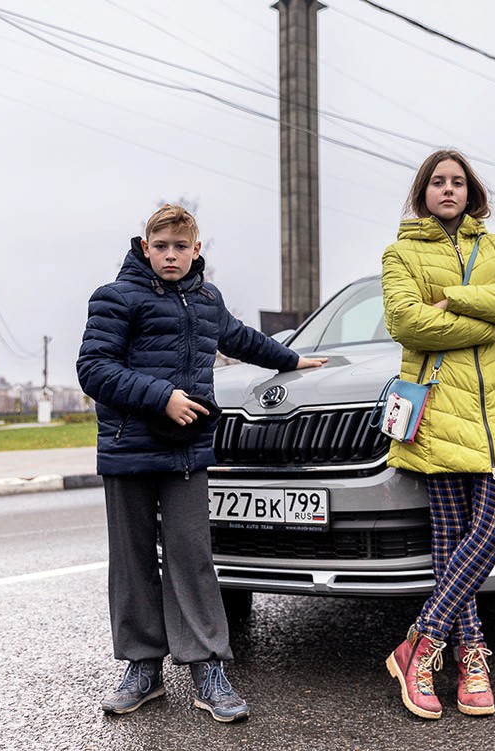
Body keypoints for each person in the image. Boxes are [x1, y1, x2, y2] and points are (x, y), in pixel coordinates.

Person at [76, 204, 326, 721]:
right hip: (127, 448)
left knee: (193, 557)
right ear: (145, 248)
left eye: (180, 247)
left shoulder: (207, 299)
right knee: (133, 560)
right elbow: (94, 368)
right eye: (161, 246)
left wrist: (292, 359)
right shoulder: (116, 297)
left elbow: (241, 339)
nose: (170, 256)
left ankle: (208, 668)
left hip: (186, 449)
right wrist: (162, 397)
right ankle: (143, 668)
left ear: (196, 250)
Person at [381, 149, 495, 719]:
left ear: (471, 191)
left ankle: (422, 642)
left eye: (457, 181)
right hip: (439, 412)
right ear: (422, 193)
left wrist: (456, 298)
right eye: (438, 182)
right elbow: (407, 322)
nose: (448, 189)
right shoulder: (401, 253)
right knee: (451, 539)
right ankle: (471, 656)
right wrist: (490, 322)